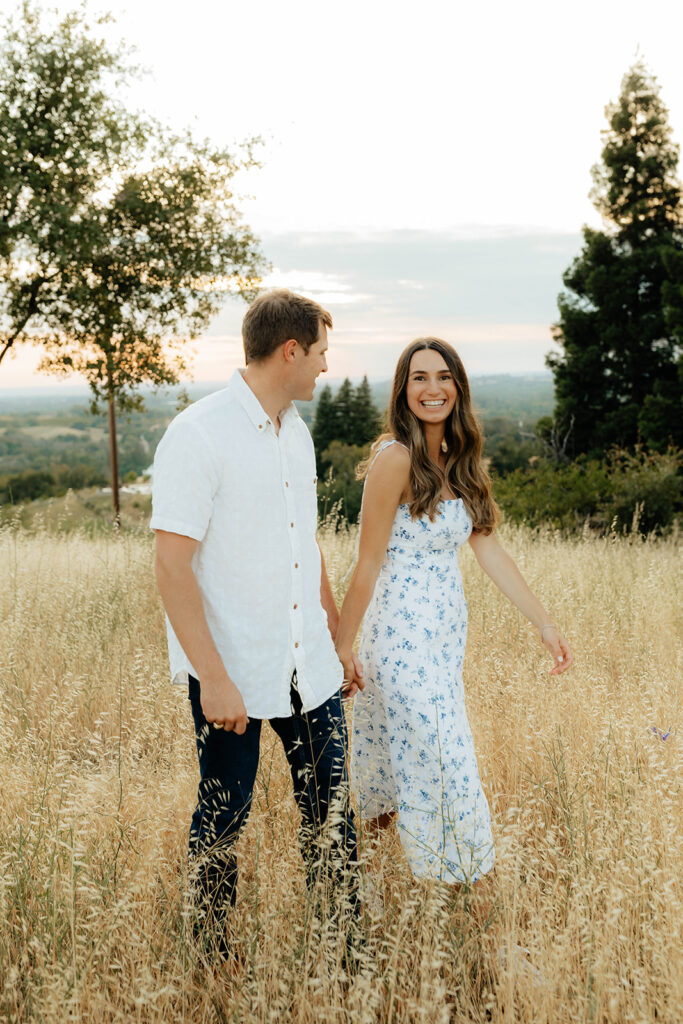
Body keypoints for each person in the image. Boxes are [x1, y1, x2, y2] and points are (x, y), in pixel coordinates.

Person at [151, 289, 363, 960]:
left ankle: (343, 953)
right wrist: (213, 679)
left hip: (309, 666)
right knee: (222, 820)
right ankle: (207, 963)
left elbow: (305, 542)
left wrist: (333, 637)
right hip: (233, 672)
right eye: (321, 353)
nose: (325, 367)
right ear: (290, 351)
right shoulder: (197, 434)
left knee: (331, 817)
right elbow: (171, 566)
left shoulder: (293, 429)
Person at [334, 337, 572, 886]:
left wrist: (544, 623)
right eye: (419, 378)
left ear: (458, 387)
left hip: (443, 640)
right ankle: (464, 882)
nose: (432, 388)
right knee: (442, 758)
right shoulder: (394, 461)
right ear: (404, 390)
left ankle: (381, 884)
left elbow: (489, 547)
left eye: (443, 377)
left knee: (400, 760)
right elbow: (366, 564)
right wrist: (343, 648)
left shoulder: (462, 461)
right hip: (398, 639)